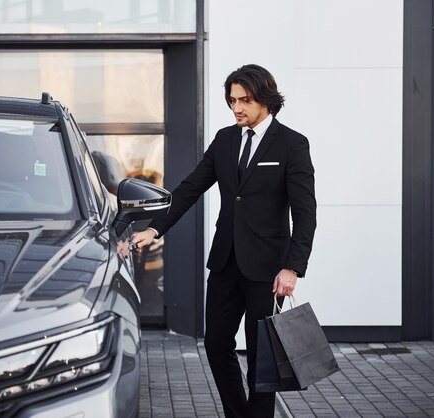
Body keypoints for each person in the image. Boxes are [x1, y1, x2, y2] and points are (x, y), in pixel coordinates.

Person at [131, 64, 316, 418]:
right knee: (216, 344)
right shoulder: (225, 140)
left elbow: (306, 213)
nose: (237, 108)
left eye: (244, 100)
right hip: (226, 263)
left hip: (268, 269)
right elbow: (189, 189)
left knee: (263, 356)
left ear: (265, 99)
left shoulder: (292, 144)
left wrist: (293, 267)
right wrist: (155, 229)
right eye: (232, 101)